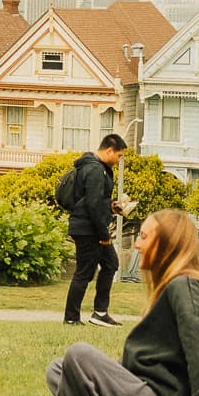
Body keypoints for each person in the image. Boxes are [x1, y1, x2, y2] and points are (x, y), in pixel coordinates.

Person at [47, 208, 199, 396]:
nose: (138, 244)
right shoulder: (171, 287)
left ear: (167, 243)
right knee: (58, 369)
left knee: (79, 355)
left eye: (143, 236)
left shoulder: (185, 286)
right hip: (145, 393)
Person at [64, 133, 129, 328]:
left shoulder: (96, 168)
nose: (119, 161)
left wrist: (112, 207)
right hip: (87, 228)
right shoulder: (94, 169)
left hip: (88, 225)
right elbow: (92, 205)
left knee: (110, 264)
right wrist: (104, 236)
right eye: (118, 156)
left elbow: (94, 202)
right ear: (109, 150)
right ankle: (71, 318)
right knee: (84, 272)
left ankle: (100, 313)